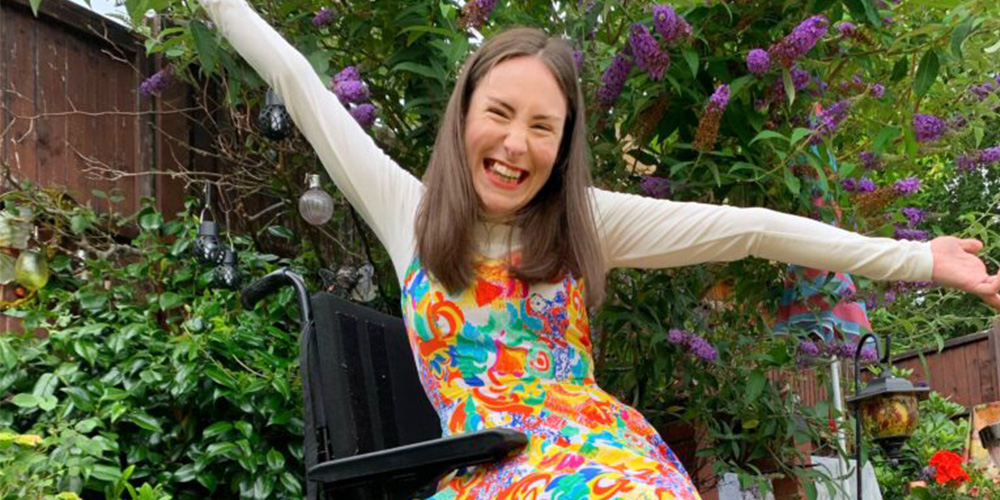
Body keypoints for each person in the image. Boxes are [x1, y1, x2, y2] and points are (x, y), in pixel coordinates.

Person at [198, 0, 1000, 497]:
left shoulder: (585, 222)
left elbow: (752, 228)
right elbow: (300, 85)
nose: (516, 144)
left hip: (604, 453)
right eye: (500, 113)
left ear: (564, 142)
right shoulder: (404, 209)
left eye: (542, 127)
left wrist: (921, 259)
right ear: (464, 114)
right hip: (493, 472)